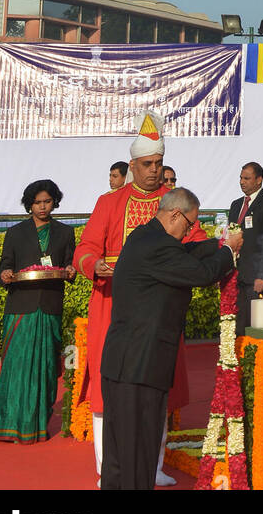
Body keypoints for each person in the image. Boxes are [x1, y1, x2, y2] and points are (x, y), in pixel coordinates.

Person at [74, 112, 206, 485]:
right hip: (112, 306)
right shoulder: (109, 202)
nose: (153, 170)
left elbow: (197, 244)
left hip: (159, 313)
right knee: (107, 391)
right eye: (147, 164)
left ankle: (153, 465)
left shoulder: (174, 203)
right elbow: (84, 249)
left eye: (158, 163)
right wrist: (94, 265)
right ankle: (107, 469)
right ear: (132, 165)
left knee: (156, 388)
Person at [100, 187, 241, 490]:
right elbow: (202, 274)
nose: (191, 231)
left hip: (123, 362)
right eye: (190, 224)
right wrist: (228, 253)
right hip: (141, 364)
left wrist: (217, 244)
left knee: (119, 454)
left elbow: (188, 253)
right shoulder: (159, 248)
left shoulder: (143, 237)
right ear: (176, 214)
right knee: (140, 450)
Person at [0, 179, 76, 443]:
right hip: (20, 307)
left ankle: (36, 425)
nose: (42, 207)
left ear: (55, 202)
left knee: (47, 369)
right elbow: (6, 263)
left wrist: (72, 270)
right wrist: (5, 273)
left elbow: (70, 264)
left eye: (47, 201)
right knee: (16, 368)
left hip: (49, 306)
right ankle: (9, 425)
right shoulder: (16, 232)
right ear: (29, 203)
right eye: (37, 202)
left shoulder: (64, 233)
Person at [228, 163, 263, 336]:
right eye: (241, 178)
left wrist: (262, 276)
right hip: (236, 276)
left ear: (259, 180)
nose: (242, 182)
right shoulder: (236, 205)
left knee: (256, 327)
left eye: (247, 178)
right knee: (238, 326)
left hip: (256, 278)